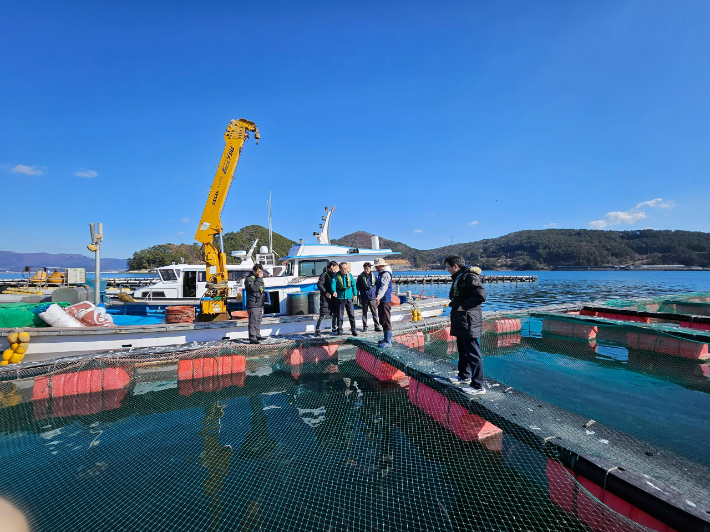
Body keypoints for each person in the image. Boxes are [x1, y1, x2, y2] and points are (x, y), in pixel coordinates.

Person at [444, 255, 487, 395]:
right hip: (460, 319)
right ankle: (464, 376)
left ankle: (478, 385)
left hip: (469, 319)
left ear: (455, 266)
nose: (447, 269)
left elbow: (480, 295)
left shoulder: (469, 277)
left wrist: (463, 307)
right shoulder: (460, 276)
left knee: (473, 353)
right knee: (462, 350)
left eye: (448, 267)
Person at [331, 262, 358, 336]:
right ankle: (339, 330)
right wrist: (334, 291)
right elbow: (333, 285)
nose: (346, 270)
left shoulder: (350, 275)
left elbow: (353, 285)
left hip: (349, 297)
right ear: (340, 269)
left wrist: (355, 294)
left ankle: (353, 330)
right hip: (340, 298)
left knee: (351, 314)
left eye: (346, 268)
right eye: (344, 269)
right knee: (340, 315)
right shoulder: (336, 276)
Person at [315, 261, 339, 336]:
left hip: (333, 297)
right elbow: (319, 284)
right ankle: (318, 329)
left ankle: (334, 328)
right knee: (323, 314)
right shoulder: (324, 274)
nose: (336, 269)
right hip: (326, 297)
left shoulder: (334, 275)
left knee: (335, 313)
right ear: (332, 266)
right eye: (335, 267)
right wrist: (325, 293)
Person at [244, 264, 267, 344]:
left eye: (260, 272)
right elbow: (253, 288)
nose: (259, 273)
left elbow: (261, 288)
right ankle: (252, 337)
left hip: (259, 302)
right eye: (258, 272)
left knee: (258, 319)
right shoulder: (249, 279)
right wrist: (259, 278)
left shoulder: (258, 279)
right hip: (253, 303)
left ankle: (257, 334)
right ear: (254, 271)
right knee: (253, 321)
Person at [373, 258, 393, 347]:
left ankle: (388, 341)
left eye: (377, 266)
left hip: (385, 300)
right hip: (381, 300)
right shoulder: (381, 274)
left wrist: (379, 296)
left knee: (386, 319)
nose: (376, 268)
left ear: (382, 266)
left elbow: (384, 287)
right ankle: (385, 338)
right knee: (382, 319)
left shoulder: (385, 274)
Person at [357, 262, 381, 333]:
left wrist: (377, 295)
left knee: (374, 312)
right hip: (364, 297)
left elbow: (377, 285)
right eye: (365, 268)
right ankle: (364, 326)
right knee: (364, 312)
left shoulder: (374, 276)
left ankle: (376, 326)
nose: (366, 270)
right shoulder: (360, 277)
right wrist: (362, 291)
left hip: (372, 296)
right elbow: (357, 286)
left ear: (370, 268)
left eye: (367, 268)